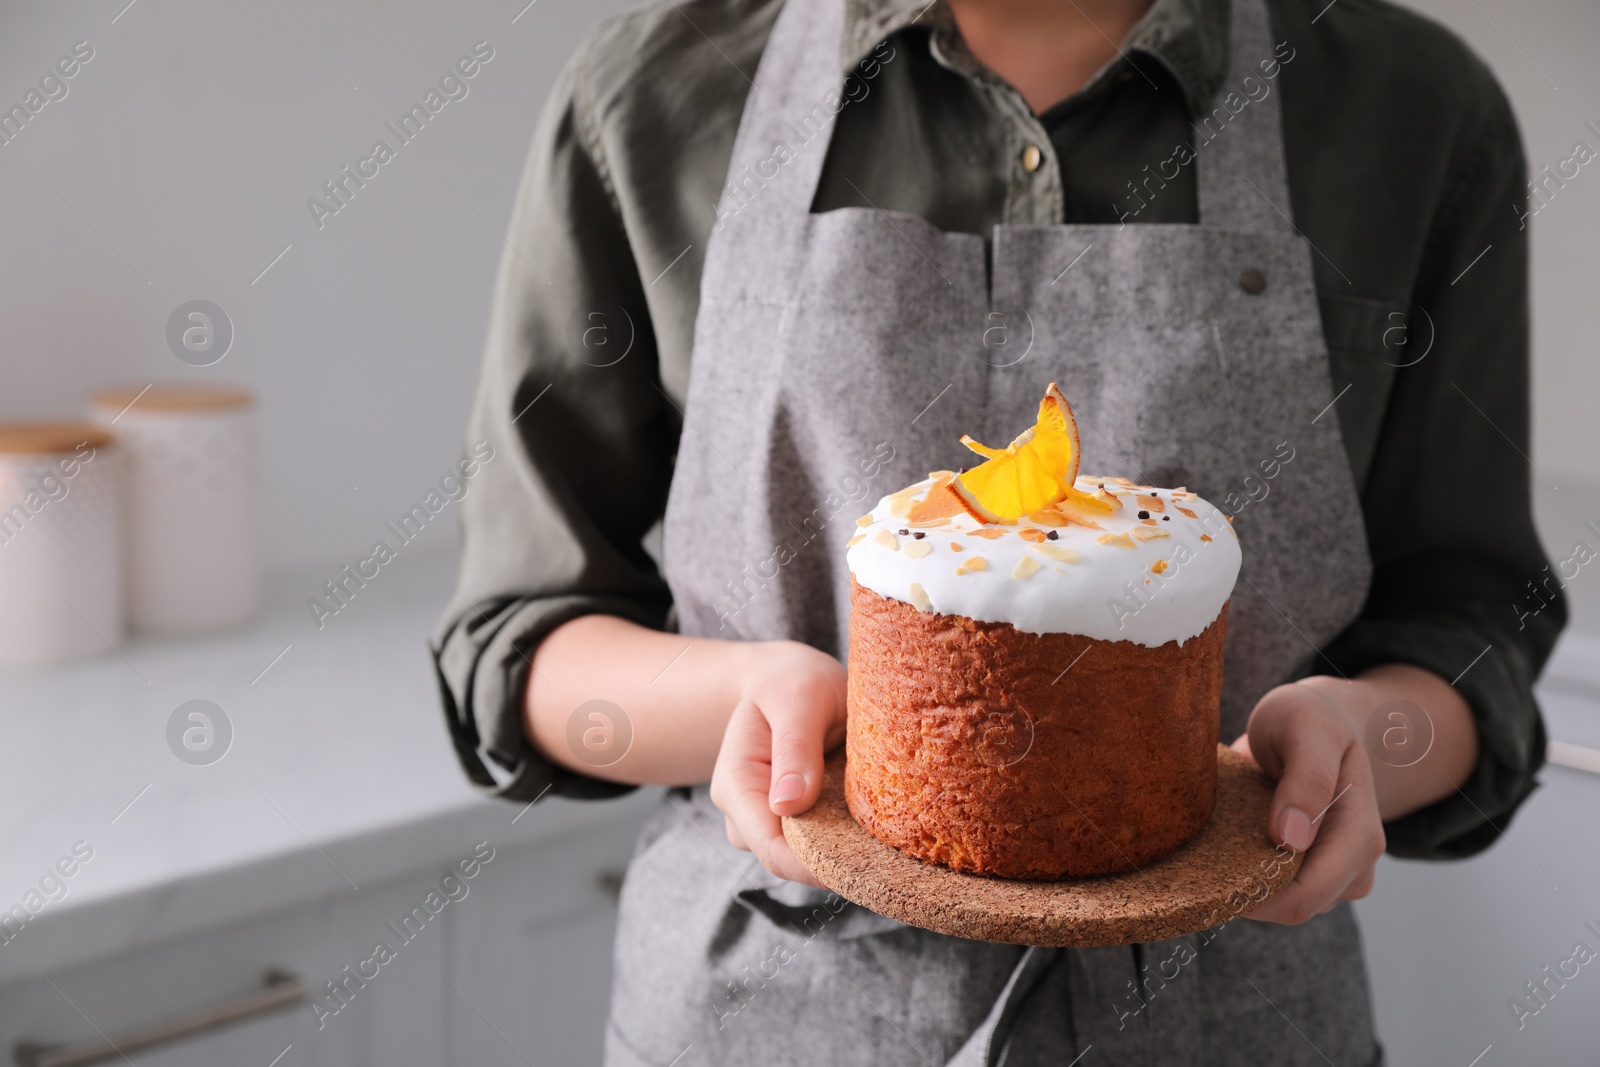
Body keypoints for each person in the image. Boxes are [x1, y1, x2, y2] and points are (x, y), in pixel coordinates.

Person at [432, 0, 1563, 1062]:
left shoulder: (1408, 110)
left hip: (1235, 1018)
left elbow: (1475, 628)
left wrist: (1360, 738)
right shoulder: (656, 96)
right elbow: (522, 632)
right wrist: (760, 710)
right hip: (772, 1012)